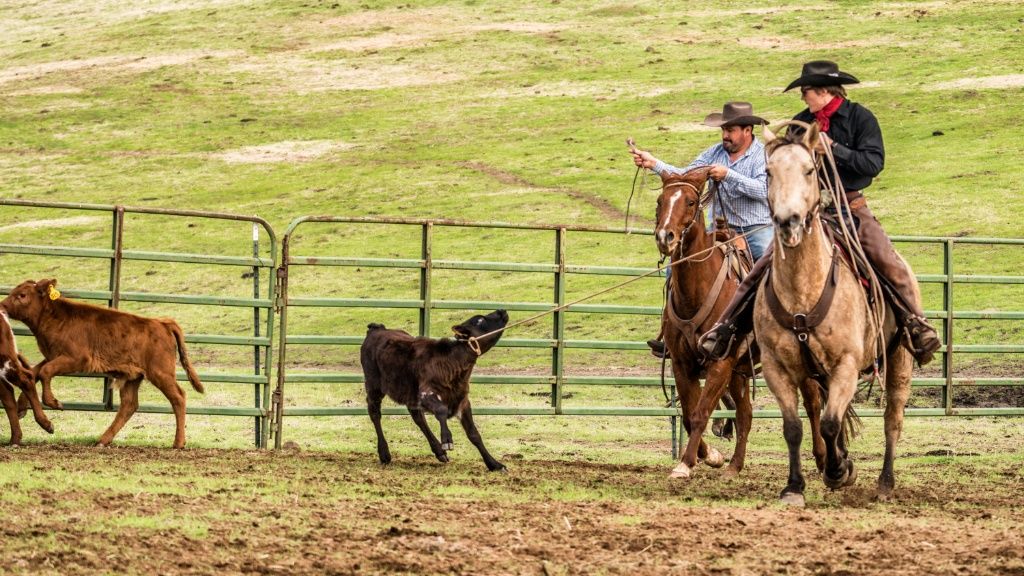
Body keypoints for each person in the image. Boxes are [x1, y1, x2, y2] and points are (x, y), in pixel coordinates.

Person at [698, 60, 942, 365]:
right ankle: (726, 330)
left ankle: (916, 325)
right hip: (809, 215)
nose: (803, 98)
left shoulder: (859, 118)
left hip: (850, 208)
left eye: (806, 91)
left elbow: (872, 164)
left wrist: (834, 149)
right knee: (762, 267)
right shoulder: (800, 123)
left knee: (886, 259)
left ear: (824, 91)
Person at [630, 101, 773, 358]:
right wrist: (655, 165)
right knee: (677, 267)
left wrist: (729, 175)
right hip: (718, 229)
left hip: (756, 229)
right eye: (724, 130)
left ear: (748, 130)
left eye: (731, 130)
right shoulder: (713, 153)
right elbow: (686, 176)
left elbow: (765, 191)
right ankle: (670, 331)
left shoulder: (763, 157)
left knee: (771, 272)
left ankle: (772, 332)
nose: (725, 135)